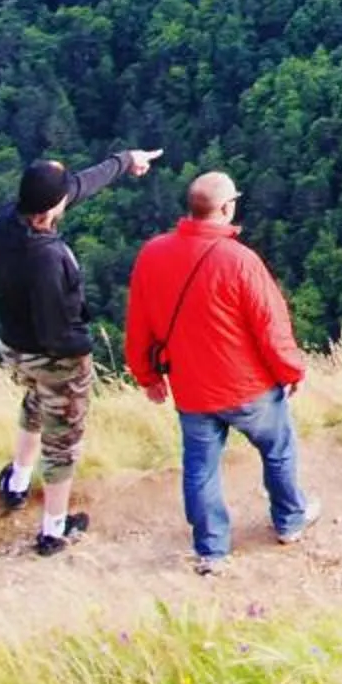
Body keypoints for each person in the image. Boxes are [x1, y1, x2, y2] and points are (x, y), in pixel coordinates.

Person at [124, 169, 317, 575]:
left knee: (200, 468)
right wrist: (291, 371)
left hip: (191, 388)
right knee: (278, 449)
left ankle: (212, 550)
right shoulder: (240, 261)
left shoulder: (152, 255)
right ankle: (289, 521)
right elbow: (271, 326)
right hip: (249, 387)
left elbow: (139, 323)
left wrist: (148, 376)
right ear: (227, 208)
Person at [0, 145, 160, 554]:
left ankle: (16, 482)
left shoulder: (7, 223)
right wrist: (84, 348)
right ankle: (54, 529)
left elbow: (77, 186)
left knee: (35, 402)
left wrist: (124, 160)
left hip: (14, 347)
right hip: (54, 356)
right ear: (52, 208)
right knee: (62, 440)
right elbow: (57, 331)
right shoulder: (48, 258)